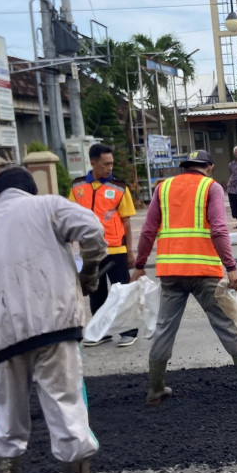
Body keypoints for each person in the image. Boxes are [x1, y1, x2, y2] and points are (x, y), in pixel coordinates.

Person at [0, 166, 109, 473]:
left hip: (2, 342)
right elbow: (93, 231)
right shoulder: (48, 207)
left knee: (8, 418)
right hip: (55, 329)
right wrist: (88, 273)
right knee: (66, 407)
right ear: (31, 189)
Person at [132, 150, 237, 407]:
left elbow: (148, 229)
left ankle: (155, 389)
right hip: (203, 270)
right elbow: (218, 228)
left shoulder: (163, 188)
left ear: (185, 167)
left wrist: (139, 265)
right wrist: (231, 268)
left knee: (164, 328)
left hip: (170, 272)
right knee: (225, 323)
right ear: (208, 167)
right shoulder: (211, 187)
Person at [70, 143, 138, 348]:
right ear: (93, 163)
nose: (110, 168)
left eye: (112, 164)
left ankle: (129, 331)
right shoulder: (77, 186)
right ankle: (101, 332)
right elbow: (70, 216)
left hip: (116, 250)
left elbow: (126, 221)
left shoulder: (119, 187)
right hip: (90, 251)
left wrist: (130, 251)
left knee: (122, 292)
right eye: (106, 164)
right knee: (96, 292)